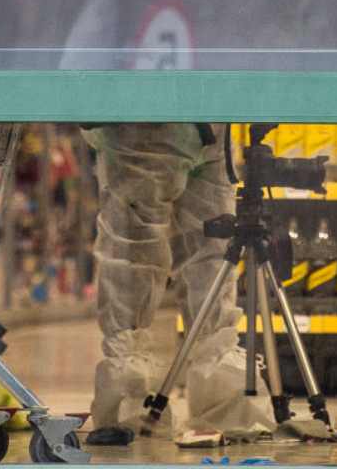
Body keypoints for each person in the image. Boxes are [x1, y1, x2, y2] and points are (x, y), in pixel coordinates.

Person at [82, 123, 276, 438]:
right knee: (166, 248)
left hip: (190, 118)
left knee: (200, 246)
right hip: (164, 113)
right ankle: (210, 397)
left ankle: (132, 397)